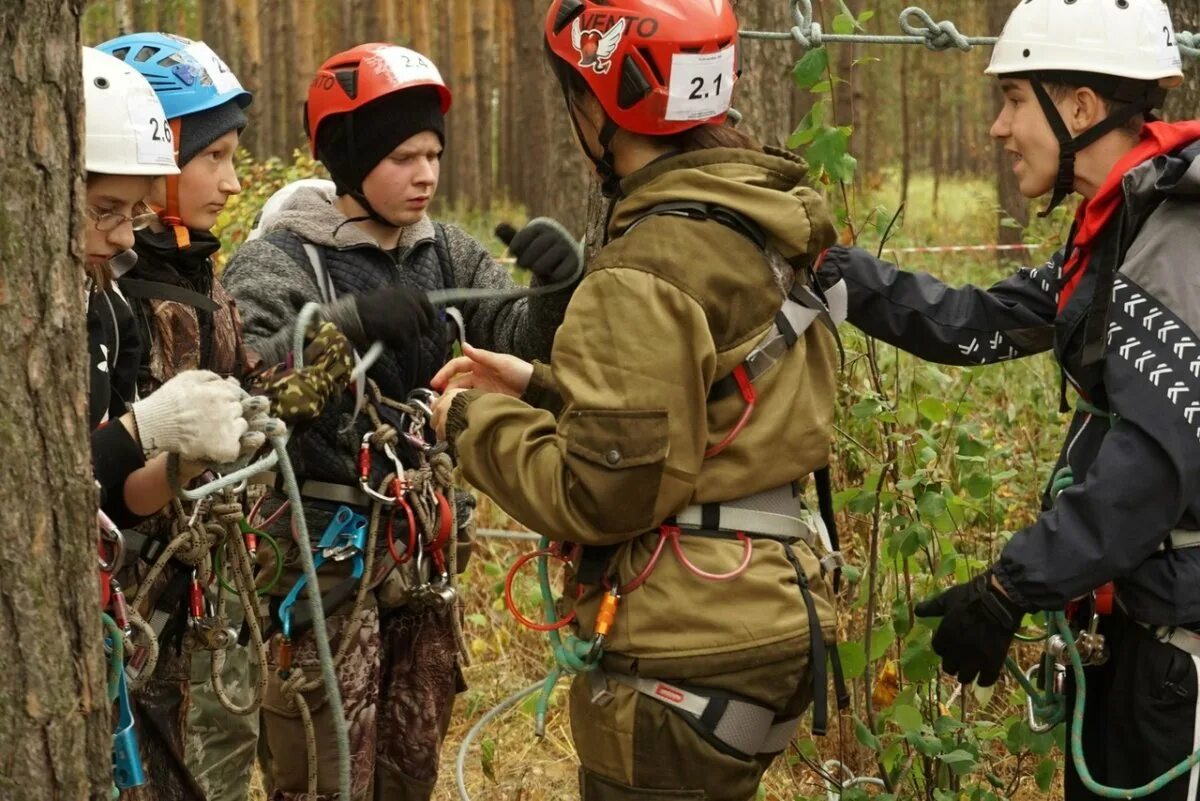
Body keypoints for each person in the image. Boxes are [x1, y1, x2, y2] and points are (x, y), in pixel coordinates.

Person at [429, 1, 842, 798]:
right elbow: (707, 405)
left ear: (597, 105)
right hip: (772, 603)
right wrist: (542, 385)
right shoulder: (757, 223)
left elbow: (601, 491)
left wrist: (472, 422)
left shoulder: (644, 263)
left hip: (686, 640)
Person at [811, 1, 1200, 798]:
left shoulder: (1180, 242)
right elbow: (974, 322)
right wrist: (826, 274)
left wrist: (1010, 585)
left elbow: (1153, 469)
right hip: (1135, 632)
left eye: (1017, 99)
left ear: (1083, 109)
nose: (998, 126)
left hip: (1180, 656)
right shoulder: (1120, 228)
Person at [221, 43, 580, 800]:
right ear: (349, 159)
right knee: (323, 773)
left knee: (409, 765)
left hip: (425, 555)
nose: (425, 175)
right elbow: (245, 377)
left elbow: (513, 337)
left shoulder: (446, 252)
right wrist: (344, 324)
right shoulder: (279, 259)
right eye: (402, 157)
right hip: (316, 568)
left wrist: (554, 287)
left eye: (434, 155)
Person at [97, 32, 259, 801]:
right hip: (125, 593)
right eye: (213, 157)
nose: (231, 181)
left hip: (183, 587)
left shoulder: (201, 274)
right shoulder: (109, 297)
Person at [83, 45, 260, 530]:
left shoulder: (107, 306)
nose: (233, 184)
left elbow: (115, 499)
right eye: (213, 156)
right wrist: (142, 431)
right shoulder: (121, 290)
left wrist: (183, 460)